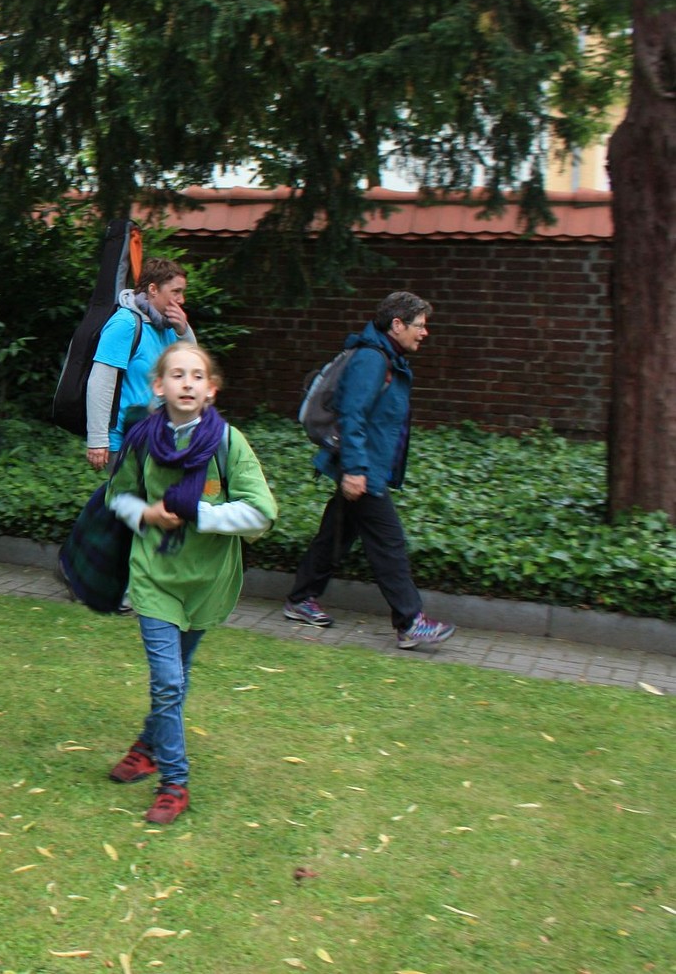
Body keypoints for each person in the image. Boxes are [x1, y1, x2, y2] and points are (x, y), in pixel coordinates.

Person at [104, 344, 277, 824]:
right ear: (157, 386)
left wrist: (199, 513)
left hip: (207, 582)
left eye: (196, 376)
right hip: (155, 576)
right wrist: (147, 513)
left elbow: (262, 514)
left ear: (210, 390)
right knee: (169, 682)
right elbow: (117, 496)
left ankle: (146, 744)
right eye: (176, 374)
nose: (186, 383)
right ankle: (174, 783)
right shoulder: (142, 439)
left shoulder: (228, 443)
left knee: (173, 680)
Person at [283, 292, 456, 650]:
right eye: (419, 326)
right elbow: (353, 415)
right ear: (397, 325)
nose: (424, 333)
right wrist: (356, 470)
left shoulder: (387, 357)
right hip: (362, 469)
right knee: (388, 543)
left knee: (337, 533)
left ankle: (301, 598)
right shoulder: (372, 360)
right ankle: (410, 622)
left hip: (364, 465)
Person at [85, 257, 197, 470]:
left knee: (151, 501)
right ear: (153, 289)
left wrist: (184, 331)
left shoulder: (169, 327)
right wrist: (98, 440)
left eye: (183, 292)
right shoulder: (125, 324)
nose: (182, 299)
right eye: (176, 291)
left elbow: (193, 368)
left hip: (160, 437)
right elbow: (100, 382)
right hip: (125, 440)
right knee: (132, 501)